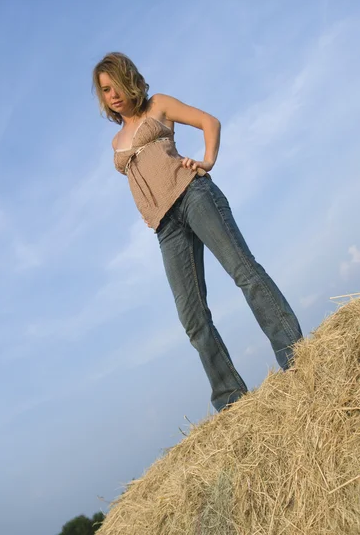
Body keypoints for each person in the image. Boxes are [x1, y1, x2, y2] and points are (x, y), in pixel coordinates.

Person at [92, 52, 303, 413]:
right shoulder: (116, 143)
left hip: (194, 196)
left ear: (128, 79)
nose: (111, 95)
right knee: (192, 317)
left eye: (114, 85)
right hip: (166, 227)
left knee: (244, 272)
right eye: (104, 90)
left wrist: (207, 161)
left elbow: (210, 121)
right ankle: (231, 399)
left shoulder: (157, 106)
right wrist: (148, 210)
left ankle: (295, 355)